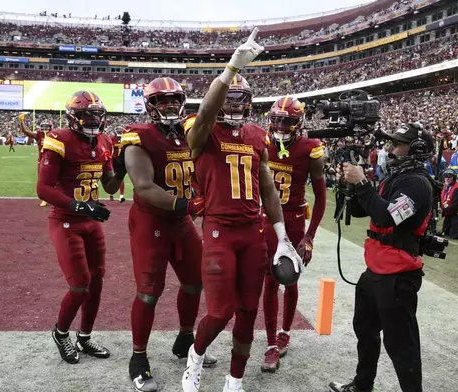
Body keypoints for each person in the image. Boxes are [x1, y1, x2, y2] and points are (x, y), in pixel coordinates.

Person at [181, 28, 302, 392]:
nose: (233, 107)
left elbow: (267, 186)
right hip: (219, 230)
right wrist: (232, 66)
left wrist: (283, 238)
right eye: (227, 99)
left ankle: (235, 381)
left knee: (248, 310)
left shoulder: (255, 135)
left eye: (239, 100)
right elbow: (204, 114)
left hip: (253, 233)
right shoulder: (202, 131)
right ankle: (195, 356)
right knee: (221, 312)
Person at [119, 77, 215, 392]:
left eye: (174, 100)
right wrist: (188, 204)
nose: (170, 106)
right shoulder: (139, 136)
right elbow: (145, 188)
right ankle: (138, 358)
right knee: (149, 292)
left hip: (181, 221)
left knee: (194, 282)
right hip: (152, 221)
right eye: (163, 101)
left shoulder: (188, 134)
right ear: (151, 106)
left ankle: (185, 338)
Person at [329, 123, 436, 392]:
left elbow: (387, 215)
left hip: (398, 274)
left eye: (397, 143)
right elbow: (363, 208)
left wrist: (363, 183)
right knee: (365, 331)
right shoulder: (395, 178)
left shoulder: (417, 183)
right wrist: (348, 186)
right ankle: (362, 385)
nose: (390, 148)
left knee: (401, 344)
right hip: (376, 270)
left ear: (416, 149)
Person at [36, 90, 123, 364]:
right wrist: (78, 206)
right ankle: (61, 332)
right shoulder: (59, 139)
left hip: (92, 219)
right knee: (79, 285)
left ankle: (84, 337)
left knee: (97, 281)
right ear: (74, 117)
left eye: (97, 115)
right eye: (87, 115)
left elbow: (109, 185)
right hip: (66, 220)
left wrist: (122, 164)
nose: (93, 120)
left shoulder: (104, 140)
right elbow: (43, 189)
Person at [260, 95, 327, 372]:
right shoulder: (261, 142)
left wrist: (309, 236)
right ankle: (270, 344)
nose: (280, 126)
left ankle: (285, 331)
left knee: (289, 279)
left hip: (294, 220)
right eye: (275, 120)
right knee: (269, 281)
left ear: (297, 123)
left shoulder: (310, 148)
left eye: (286, 121)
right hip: (264, 220)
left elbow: (321, 199)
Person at [19, 115, 53, 206]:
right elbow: (25, 131)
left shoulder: (55, 135)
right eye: (44, 126)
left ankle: (54, 198)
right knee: (42, 181)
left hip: (53, 161)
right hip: (42, 160)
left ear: (50, 127)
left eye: (47, 126)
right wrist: (21, 121)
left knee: (55, 181)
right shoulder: (38, 134)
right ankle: (45, 199)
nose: (45, 128)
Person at [107, 128, 126, 203]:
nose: (119, 138)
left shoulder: (125, 139)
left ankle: (121, 195)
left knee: (120, 177)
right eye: (118, 137)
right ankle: (111, 194)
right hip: (113, 160)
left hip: (120, 160)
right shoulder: (111, 139)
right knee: (112, 177)